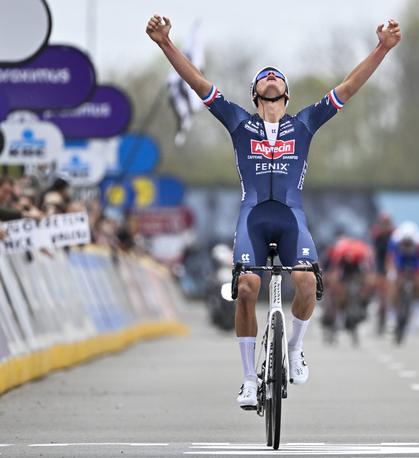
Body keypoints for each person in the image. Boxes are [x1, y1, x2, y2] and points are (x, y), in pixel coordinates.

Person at [146, 14, 401, 409]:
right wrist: (165, 43)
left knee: (305, 284)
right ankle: (249, 380)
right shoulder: (238, 122)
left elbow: (349, 87)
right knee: (246, 289)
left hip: (290, 218)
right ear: (255, 95)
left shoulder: (304, 123)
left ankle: (295, 348)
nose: (269, 78)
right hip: (252, 217)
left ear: (286, 93)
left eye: (276, 77)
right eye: (263, 77)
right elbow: (197, 83)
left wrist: (382, 49)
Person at [369, 212, 395, 334]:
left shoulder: (394, 235)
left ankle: (390, 314)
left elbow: (395, 254)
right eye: (382, 223)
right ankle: (379, 311)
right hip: (380, 265)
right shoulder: (377, 235)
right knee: (379, 291)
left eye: (386, 223)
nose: (385, 226)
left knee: (391, 290)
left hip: (391, 263)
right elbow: (374, 253)